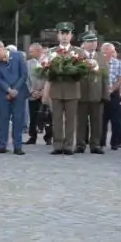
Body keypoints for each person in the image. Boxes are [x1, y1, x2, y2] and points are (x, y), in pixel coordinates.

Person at [44, 23, 82, 155]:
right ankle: (57, 145)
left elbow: (83, 71)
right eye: (62, 33)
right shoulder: (51, 52)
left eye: (67, 33)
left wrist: (75, 72)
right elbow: (45, 71)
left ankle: (69, 145)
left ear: (71, 35)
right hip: (57, 89)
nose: (65, 36)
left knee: (71, 120)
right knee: (57, 119)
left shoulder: (78, 51)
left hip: (72, 89)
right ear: (58, 35)